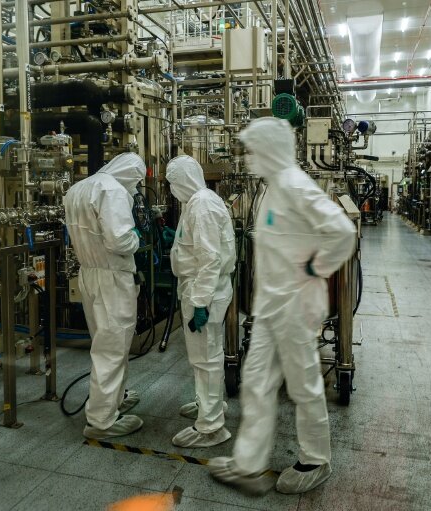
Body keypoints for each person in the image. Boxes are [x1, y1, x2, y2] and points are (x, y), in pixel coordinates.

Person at [207, 117, 357, 494]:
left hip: (294, 303)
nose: (249, 158)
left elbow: (342, 232)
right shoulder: (272, 187)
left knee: (304, 383)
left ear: (271, 150)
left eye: (254, 150)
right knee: (257, 382)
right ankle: (249, 464)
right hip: (272, 305)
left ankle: (315, 460)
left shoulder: (293, 184)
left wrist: (316, 266)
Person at [64, 153, 147, 439]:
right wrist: (137, 235)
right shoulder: (113, 191)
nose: (136, 188)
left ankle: (116, 397)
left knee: (106, 340)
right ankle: (102, 420)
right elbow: (120, 240)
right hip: (112, 277)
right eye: (136, 181)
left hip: (88, 272)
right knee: (112, 347)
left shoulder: (79, 188)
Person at [165, 155, 236, 448]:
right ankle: (209, 405)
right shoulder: (197, 201)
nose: (171, 189)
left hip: (203, 291)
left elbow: (210, 259)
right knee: (205, 356)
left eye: (172, 183)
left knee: (206, 358)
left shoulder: (202, 205)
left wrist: (200, 302)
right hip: (199, 288)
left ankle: (211, 427)